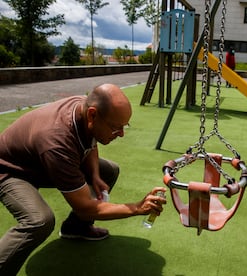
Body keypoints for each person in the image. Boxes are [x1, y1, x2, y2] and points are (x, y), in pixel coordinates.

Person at [0, 83, 167, 274]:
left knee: (108, 171)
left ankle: (76, 228)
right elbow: (86, 207)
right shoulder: (57, 142)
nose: (121, 134)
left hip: (41, 160)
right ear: (92, 115)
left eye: (124, 126)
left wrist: (94, 174)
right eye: (115, 127)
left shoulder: (83, 107)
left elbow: (90, 141)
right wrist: (137, 208)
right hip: (11, 170)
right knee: (39, 221)